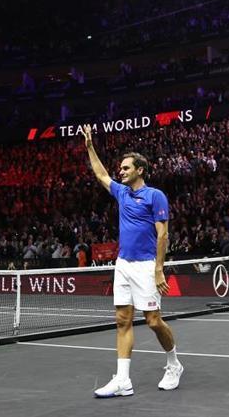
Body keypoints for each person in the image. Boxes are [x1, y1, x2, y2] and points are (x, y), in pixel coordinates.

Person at [82, 124, 183, 398]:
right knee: (122, 319)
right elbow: (101, 174)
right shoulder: (121, 193)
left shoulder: (154, 195)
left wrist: (159, 270)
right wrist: (90, 146)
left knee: (152, 321)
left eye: (126, 168)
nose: (121, 171)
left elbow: (163, 235)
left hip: (146, 266)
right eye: (121, 168)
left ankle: (173, 364)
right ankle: (123, 380)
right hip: (123, 265)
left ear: (140, 170)